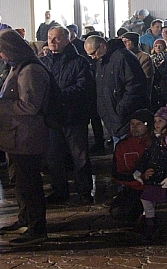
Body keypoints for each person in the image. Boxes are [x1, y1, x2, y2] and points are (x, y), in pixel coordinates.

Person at [0, 29, 51, 246]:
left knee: (29, 184)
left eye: (1, 52)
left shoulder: (30, 71)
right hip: (16, 137)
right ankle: (25, 219)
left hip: (26, 137)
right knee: (19, 183)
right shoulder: (18, 68)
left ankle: (36, 227)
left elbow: (30, 106)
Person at [41, 26, 95, 204]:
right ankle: (59, 190)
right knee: (54, 156)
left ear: (67, 40)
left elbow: (83, 87)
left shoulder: (79, 62)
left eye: (56, 38)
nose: (52, 42)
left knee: (79, 156)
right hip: (53, 118)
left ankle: (84, 191)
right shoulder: (44, 62)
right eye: (50, 38)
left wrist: (59, 95)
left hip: (74, 117)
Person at [133, 104, 167, 237]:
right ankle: (150, 219)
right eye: (155, 121)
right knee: (147, 197)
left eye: (160, 121)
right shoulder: (155, 139)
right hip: (156, 174)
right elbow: (147, 155)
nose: (156, 124)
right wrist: (139, 170)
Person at [85, 36, 149, 147]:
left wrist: (121, 108)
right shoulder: (102, 61)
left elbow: (135, 86)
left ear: (102, 46)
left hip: (125, 118)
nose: (92, 57)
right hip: (113, 118)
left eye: (93, 53)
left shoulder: (123, 57)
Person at [109, 109, 153, 221]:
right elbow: (117, 174)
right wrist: (138, 178)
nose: (134, 127)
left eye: (139, 124)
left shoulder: (157, 143)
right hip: (135, 188)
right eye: (132, 124)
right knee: (119, 212)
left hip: (157, 186)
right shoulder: (123, 146)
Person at [122, 32, 154, 98]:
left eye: (127, 41)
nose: (124, 43)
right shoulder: (122, 57)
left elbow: (146, 79)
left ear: (134, 42)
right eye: (123, 41)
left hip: (140, 95)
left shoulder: (144, 57)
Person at [150, 39, 167, 108]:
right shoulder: (151, 57)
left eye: (160, 46)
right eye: (156, 46)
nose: (158, 48)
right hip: (156, 84)